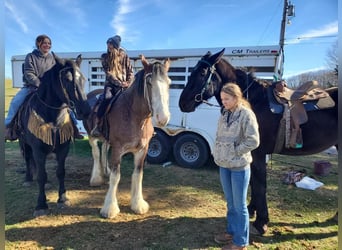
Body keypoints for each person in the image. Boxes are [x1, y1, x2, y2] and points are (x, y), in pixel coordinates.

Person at [5, 34, 83, 141]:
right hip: (32, 87)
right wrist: (40, 84)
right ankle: (7, 126)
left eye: (49, 43)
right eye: (45, 43)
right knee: (15, 102)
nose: (47, 45)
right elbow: (29, 73)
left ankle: (75, 128)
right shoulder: (30, 57)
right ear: (39, 44)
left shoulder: (52, 58)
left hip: (50, 90)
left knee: (66, 104)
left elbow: (56, 74)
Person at [213, 83, 260, 250]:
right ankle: (231, 232)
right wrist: (217, 152)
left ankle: (241, 243)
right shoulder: (225, 113)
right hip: (224, 165)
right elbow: (219, 136)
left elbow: (254, 140)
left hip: (239, 167)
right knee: (231, 203)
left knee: (240, 206)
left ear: (236, 97)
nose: (223, 102)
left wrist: (235, 151)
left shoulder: (246, 114)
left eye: (226, 99)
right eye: (222, 99)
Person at [90, 35, 134, 137]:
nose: (108, 46)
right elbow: (108, 73)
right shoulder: (105, 57)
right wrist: (119, 83)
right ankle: (98, 124)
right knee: (106, 98)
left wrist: (128, 82)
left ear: (115, 45)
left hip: (125, 85)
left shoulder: (125, 57)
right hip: (111, 85)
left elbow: (130, 71)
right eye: (108, 44)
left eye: (111, 44)